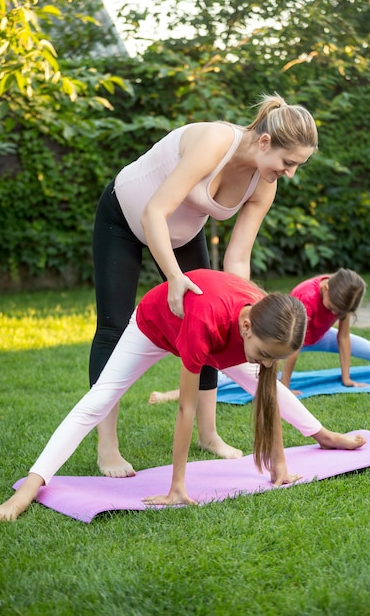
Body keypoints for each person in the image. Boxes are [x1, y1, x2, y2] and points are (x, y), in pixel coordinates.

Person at [0, 270, 366, 522]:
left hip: (225, 338)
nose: (269, 363)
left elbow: (267, 391)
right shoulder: (208, 320)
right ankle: (29, 487)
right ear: (248, 327)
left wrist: (279, 466)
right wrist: (177, 487)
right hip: (155, 327)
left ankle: (323, 435)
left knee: (267, 383)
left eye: (276, 357)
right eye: (268, 355)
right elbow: (186, 409)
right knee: (101, 398)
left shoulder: (266, 326)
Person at [89, 92, 318, 477]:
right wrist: (175, 278)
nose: (290, 172)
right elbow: (154, 212)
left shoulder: (265, 182)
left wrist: (247, 306)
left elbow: (238, 260)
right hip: (124, 218)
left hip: (182, 232)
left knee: (216, 321)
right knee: (113, 327)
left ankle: (208, 434)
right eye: (288, 162)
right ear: (265, 142)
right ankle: (107, 447)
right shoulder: (215, 141)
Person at [149, 268, 370, 402]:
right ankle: (171, 395)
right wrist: (284, 382)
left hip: (321, 335)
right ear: (325, 288)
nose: (334, 312)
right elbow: (291, 347)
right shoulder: (306, 297)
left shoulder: (343, 297)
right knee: (233, 372)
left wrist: (347, 378)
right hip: (290, 341)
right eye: (331, 307)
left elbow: (343, 337)